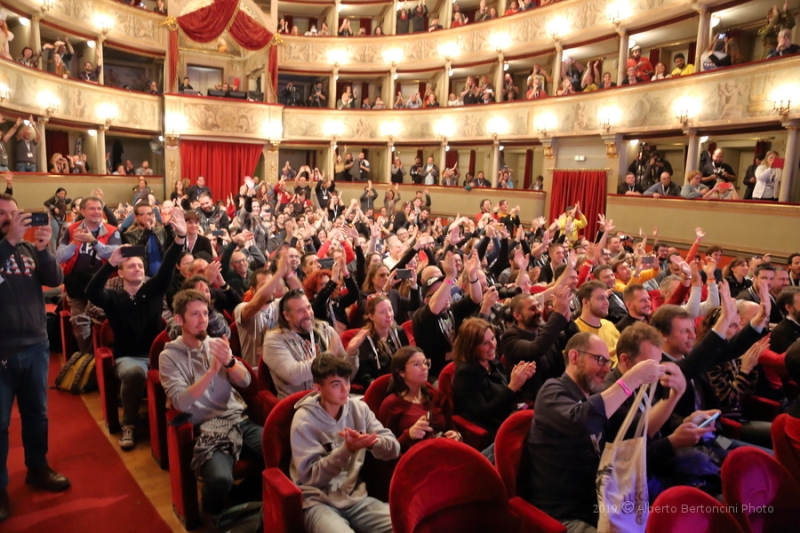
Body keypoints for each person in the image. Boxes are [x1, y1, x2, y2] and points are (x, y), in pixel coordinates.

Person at [526, 332, 666, 531]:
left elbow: (632, 430)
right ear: (574, 357)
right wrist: (631, 379)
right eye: (600, 360)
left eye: (608, 362)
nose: (607, 369)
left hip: (601, 505)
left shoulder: (595, 396)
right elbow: (583, 422)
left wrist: (673, 395)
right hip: (564, 515)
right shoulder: (552, 390)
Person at [85, 210, 187, 450]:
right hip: (129, 357)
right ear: (120, 273)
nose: (138, 269)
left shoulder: (153, 290)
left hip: (159, 355)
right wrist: (110, 262)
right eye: (131, 266)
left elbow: (167, 267)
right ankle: (129, 423)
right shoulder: (113, 297)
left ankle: (180, 421)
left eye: (140, 266)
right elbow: (91, 292)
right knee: (134, 373)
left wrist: (180, 239)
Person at [159, 289, 262, 516]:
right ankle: (211, 510)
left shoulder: (217, 344)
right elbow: (180, 403)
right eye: (195, 314)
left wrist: (230, 362)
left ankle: (238, 501)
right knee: (220, 480)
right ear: (179, 320)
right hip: (205, 428)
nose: (202, 319)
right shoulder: (169, 356)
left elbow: (246, 382)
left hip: (238, 420)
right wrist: (211, 372)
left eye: (205, 313)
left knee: (281, 453)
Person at [0, 192, 70, 522]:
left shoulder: (29, 249)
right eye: (2, 213)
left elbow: (55, 279)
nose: (9, 218)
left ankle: (38, 468)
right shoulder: (9, 245)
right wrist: (9, 242)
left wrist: (43, 249)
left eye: (13, 213)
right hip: (2, 352)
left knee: (37, 415)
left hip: (36, 346)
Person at [290, 353, 400, 533]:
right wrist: (346, 450)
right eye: (336, 384)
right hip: (318, 502)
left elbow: (393, 449)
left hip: (355, 498)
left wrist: (372, 443)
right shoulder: (304, 420)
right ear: (318, 388)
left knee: (404, 524)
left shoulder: (359, 408)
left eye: (347, 381)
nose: (345, 389)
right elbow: (310, 477)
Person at [56, 195, 121, 354]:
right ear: (82, 211)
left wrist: (94, 242)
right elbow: (60, 256)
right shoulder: (71, 229)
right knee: (80, 324)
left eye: (99, 208)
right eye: (92, 208)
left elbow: (114, 254)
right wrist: (75, 242)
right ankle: (89, 358)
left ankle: (108, 355)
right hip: (77, 287)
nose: (97, 211)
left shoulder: (112, 231)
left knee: (110, 323)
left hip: (104, 286)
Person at [452, 318, 536, 439]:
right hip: (492, 427)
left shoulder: (492, 361)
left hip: (509, 415)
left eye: (492, 338)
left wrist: (522, 379)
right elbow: (483, 413)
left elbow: (509, 395)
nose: (493, 345)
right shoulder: (465, 373)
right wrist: (513, 386)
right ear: (471, 347)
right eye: (485, 343)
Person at [262, 289, 353, 398]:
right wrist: (329, 354)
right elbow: (293, 376)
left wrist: (352, 353)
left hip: (333, 399)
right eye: (300, 311)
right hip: (300, 403)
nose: (308, 314)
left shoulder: (325, 330)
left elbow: (348, 374)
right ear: (287, 315)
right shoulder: (274, 340)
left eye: (309, 307)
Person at [378, 346, 460, 452]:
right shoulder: (391, 404)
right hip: (414, 457)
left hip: (443, 450)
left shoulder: (436, 396)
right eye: (416, 364)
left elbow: (451, 427)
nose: (424, 367)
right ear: (401, 372)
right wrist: (408, 435)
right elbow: (385, 451)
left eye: (425, 363)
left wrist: (456, 435)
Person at [347, 294, 409, 389]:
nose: (389, 315)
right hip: (379, 385)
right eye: (382, 312)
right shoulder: (364, 339)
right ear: (371, 316)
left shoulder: (399, 331)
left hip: (402, 379)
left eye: (390, 310)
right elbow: (364, 375)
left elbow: (408, 358)